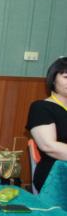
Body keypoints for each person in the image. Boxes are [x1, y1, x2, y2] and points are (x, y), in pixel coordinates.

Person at [26, 57, 67, 191]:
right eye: (66, 77)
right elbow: (49, 146)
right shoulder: (41, 107)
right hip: (56, 175)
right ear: (53, 79)